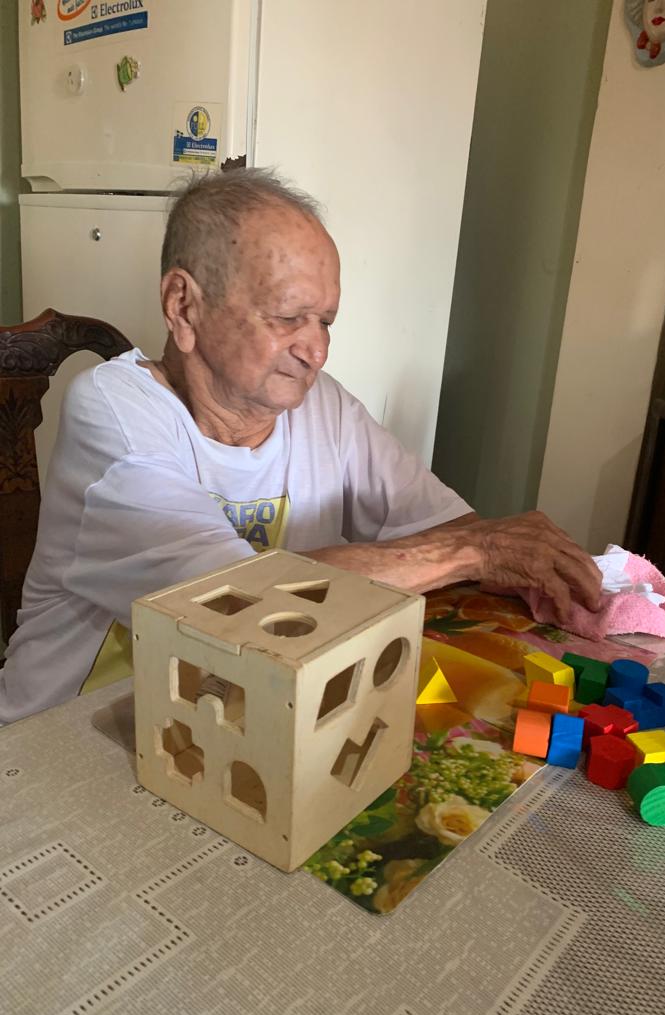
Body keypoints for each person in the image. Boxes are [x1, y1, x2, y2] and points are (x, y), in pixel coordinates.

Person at [0, 169, 601, 724]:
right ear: (183, 306)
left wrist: (499, 557)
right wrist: (473, 550)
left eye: (326, 321)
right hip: (77, 731)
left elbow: (445, 529)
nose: (316, 351)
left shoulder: (322, 406)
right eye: (289, 317)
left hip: (238, 727)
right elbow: (230, 601)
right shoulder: (113, 408)